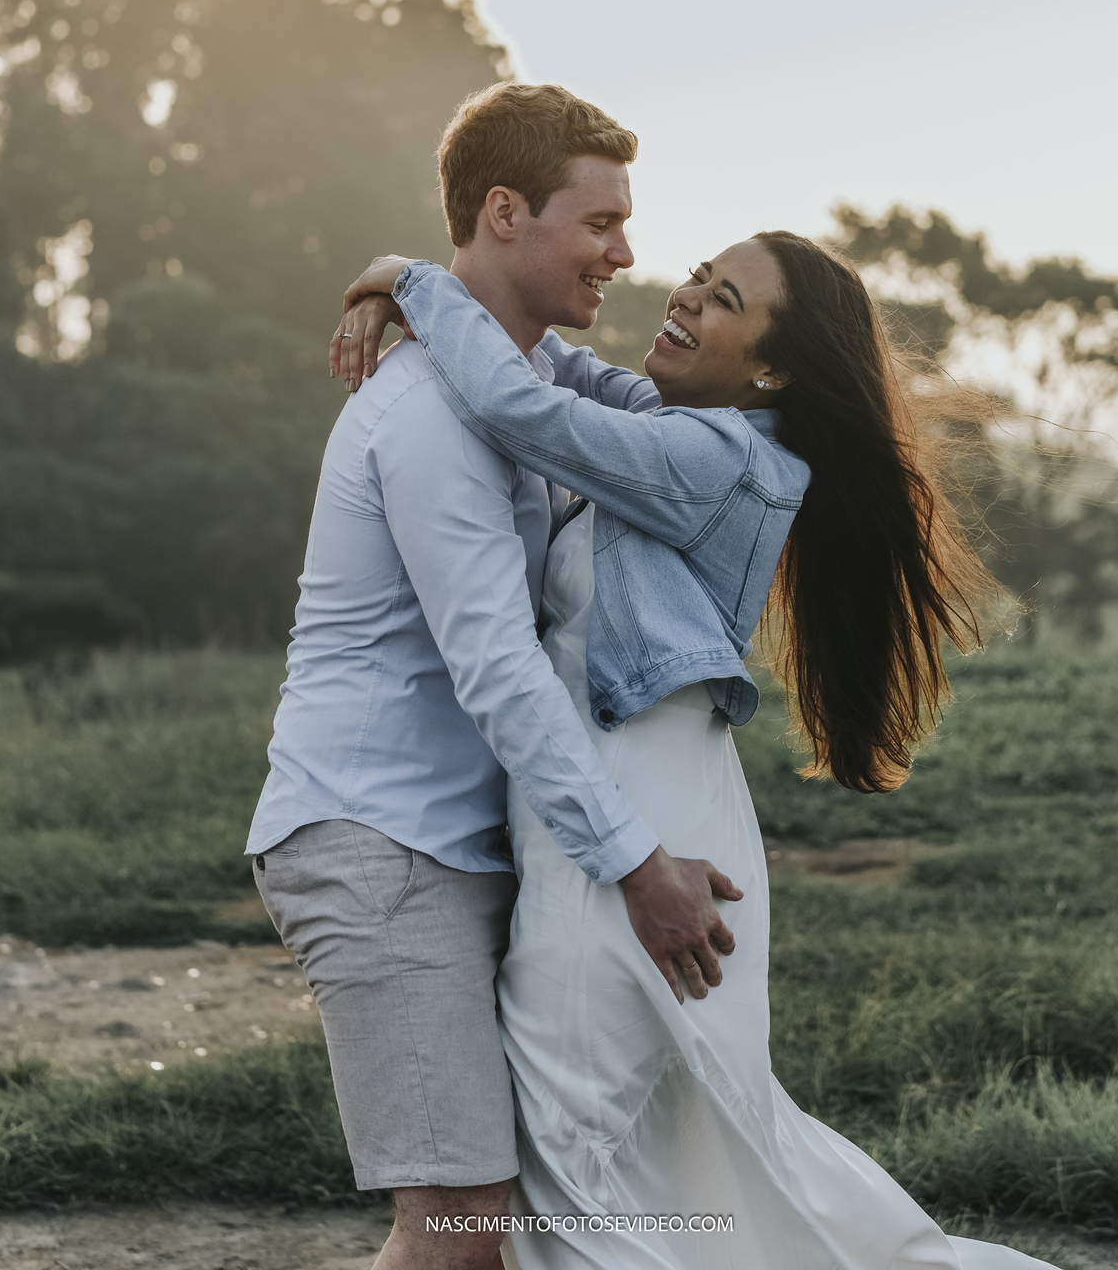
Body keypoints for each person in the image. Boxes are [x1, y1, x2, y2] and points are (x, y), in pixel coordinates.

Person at [332, 235, 1054, 1270]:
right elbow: (564, 377)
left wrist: (413, 281)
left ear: (771, 369)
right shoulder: (690, 434)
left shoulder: (714, 460)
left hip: (632, 822)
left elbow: (523, 411)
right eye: (699, 276)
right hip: (636, 803)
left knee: (578, 1162)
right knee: (662, 1149)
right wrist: (475, 311)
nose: (683, 298)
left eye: (722, 301)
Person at [247, 83, 745, 1270]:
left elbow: (637, 411)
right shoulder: (426, 411)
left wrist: (408, 273)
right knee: (460, 1234)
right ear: (507, 212)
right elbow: (495, 668)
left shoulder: (528, 382)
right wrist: (635, 866)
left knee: (500, 1231)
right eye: (600, 224)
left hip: (466, 850)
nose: (625, 254)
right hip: (378, 844)